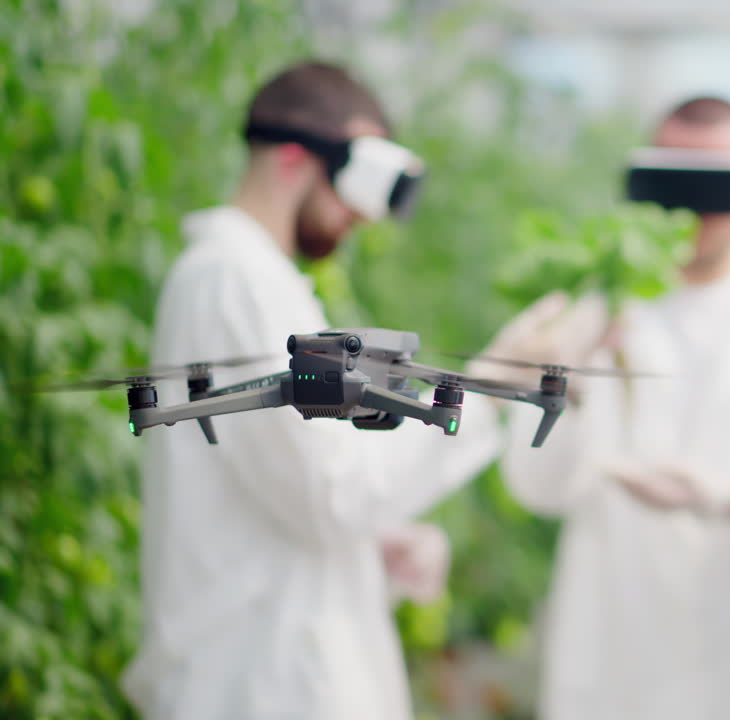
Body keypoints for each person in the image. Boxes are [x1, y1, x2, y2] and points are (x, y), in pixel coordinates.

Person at [123, 61, 498, 720]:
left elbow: (294, 491)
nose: (361, 217)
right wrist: (495, 389)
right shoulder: (235, 282)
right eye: (358, 188)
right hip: (257, 687)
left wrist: (375, 543)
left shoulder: (256, 281)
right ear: (297, 157)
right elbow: (333, 495)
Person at [484, 97, 730, 720]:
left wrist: (725, 497)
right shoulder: (589, 312)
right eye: (674, 180)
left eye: (716, 184)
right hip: (620, 664)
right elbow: (535, 486)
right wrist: (571, 385)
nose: (693, 209)